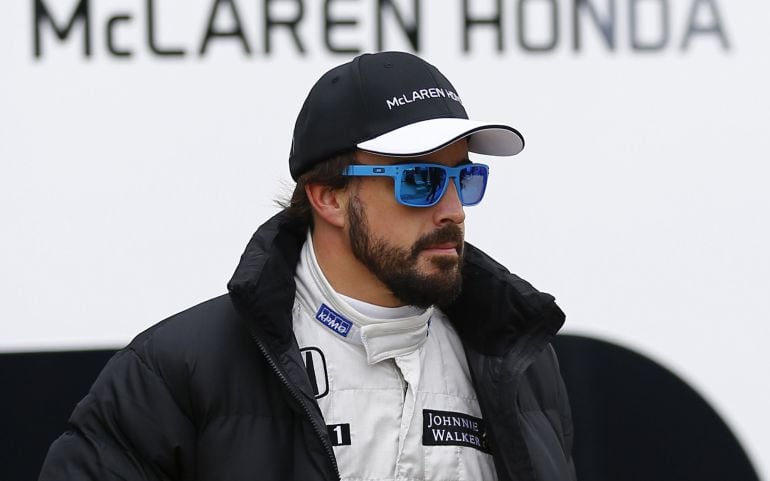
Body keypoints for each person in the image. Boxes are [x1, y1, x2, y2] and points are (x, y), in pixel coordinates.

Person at [39, 51, 576, 481]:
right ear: (328, 197)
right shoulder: (177, 370)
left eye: (465, 179)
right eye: (420, 181)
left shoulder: (521, 363)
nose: (453, 211)